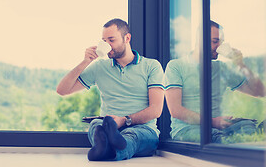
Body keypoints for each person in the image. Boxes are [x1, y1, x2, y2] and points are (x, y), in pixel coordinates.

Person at [56, 18, 165, 161]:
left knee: (133, 136)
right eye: (104, 41)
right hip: (108, 127)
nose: (107, 45)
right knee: (96, 124)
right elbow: (62, 90)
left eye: (111, 40)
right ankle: (109, 147)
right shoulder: (100, 67)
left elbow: (156, 110)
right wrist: (86, 61)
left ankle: (106, 150)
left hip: (143, 129)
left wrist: (124, 120)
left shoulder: (151, 66)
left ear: (127, 38)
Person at [164, 20, 265, 143]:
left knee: (250, 130)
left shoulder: (222, 68)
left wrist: (241, 65)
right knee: (219, 139)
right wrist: (213, 121)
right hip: (189, 129)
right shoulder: (176, 66)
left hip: (222, 127)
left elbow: (259, 92)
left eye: (221, 42)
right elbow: (176, 111)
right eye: (215, 41)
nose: (219, 47)